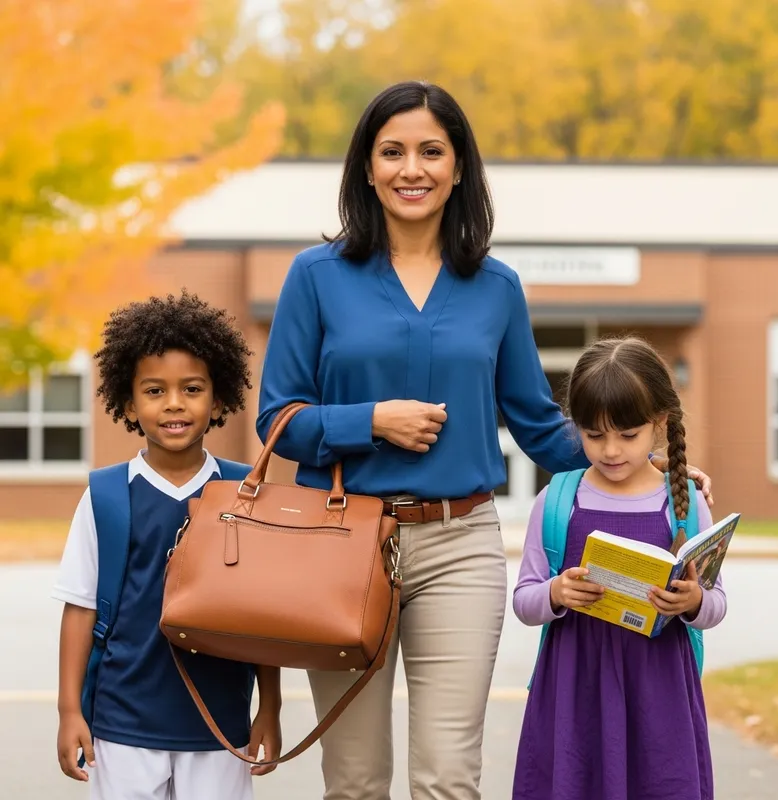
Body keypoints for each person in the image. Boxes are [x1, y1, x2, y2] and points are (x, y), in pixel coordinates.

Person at [257, 81, 711, 799]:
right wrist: (369, 421)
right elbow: (277, 420)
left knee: (448, 777)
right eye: (393, 151)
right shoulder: (315, 277)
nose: (413, 168)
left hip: (459, 546)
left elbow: (537, 424)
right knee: (354, 778)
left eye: (432, 151)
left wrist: (652, 469)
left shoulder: (495, 286)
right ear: (366, 168)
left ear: (460, 166)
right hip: (341, 549)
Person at [53, 292, 282, 800]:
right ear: (129, 402)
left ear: (218, 399)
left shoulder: (246, 492)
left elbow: (264, 618)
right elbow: (80, 610)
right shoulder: (105, 495)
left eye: (192, 389)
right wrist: (70, 710)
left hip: (219, 723)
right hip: (122, 723)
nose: (174, 403)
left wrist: (271, 706)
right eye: (155, 390)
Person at [512, 336, 726, 800]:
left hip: (659, 690)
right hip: (573, 689)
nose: (610, 450)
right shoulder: (557, 501)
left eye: (627, 435)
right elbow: (524, 602)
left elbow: (716, 605)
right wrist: (555, 593)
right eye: (593, 435)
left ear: (660, 423)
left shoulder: (684, 505)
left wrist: (692, 603)